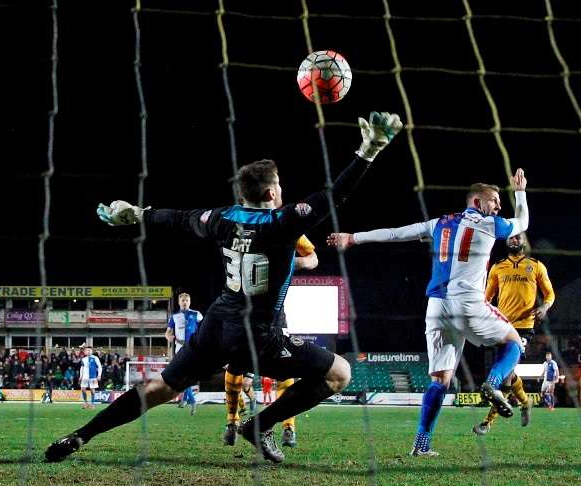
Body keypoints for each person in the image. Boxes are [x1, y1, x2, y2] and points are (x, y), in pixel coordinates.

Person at [44, 110, 403, 464]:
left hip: (216, 325)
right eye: (279, 183)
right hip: (258, 335)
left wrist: (137, 213)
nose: (282, 188)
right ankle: (259, 426)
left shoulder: (219, 219)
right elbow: (333, 195)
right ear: (269, 192)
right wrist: (368, 151)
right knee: (340, 372)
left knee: (159, 389)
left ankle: (80, 435)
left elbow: (176, 219)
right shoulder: (282, 223)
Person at [328, 170, 529, 456]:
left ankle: (421, 444)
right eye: (494, 200)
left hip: (436, 307)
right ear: (476, 200)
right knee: (513, 342)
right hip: (468, 303)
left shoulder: (439, 224)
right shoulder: (489, 224)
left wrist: (353, 237)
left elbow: (397, 233)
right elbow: (522, 223)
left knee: (440, 380)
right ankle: (493, 383)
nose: (498, 206)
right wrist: (520, 192)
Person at [223, 234, 318, 447]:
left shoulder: (287, 224)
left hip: (274, 314)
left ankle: (288, 427)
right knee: (235, 366)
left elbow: (313, 258)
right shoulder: (235, 223)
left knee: (286, 370)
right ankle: (232, 422)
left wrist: (293, 262)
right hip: (241, 311)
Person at [474, 232, 555, 436]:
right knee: (508, 375)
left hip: (524, 327)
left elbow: (550, 294)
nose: (514, 240)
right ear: (506, 241)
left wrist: (544, 307)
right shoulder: (497, 267)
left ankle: (487, 422)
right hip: (501, 326)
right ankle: (525, 402)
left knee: (504, 375)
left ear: (524, 242)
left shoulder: (536, 265)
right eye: (510, 237)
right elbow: (486, 297)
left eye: (518, 237)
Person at [165, 292, 204, 415]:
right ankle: (187, 399)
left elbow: (204, 328)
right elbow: (167, 332)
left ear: (190, 302)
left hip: (192, 347)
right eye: (183, 300)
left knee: (186, 374)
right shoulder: (174, 316)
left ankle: (189, 400)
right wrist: (169, 337)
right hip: (179, 346)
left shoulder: (196, 314)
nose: (185, 302)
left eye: (187, 300)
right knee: (182, 375)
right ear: (179, 302)